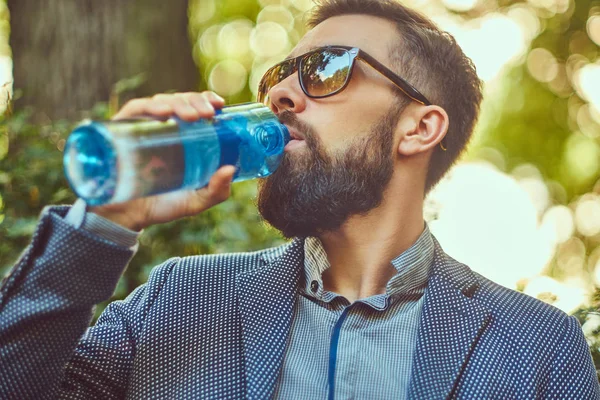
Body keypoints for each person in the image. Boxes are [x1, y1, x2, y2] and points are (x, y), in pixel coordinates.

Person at [1, 0, 598, 398]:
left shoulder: (534, 348)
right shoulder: (179, 300)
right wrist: (103, 223)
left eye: (326, 69)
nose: (283, 93)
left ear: (419, 128)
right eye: (279, 77)